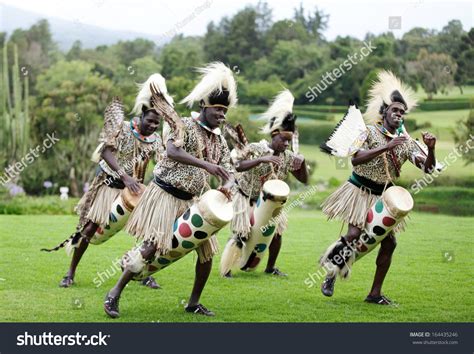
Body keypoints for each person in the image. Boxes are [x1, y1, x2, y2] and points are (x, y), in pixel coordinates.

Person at [104, 62, 238, 318]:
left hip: (193, 200)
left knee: (206, 253)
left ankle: (193, 302)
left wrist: (226, 187)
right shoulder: (183, 125)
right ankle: (114, 292)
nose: (222, 115)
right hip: (165, 194)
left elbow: (226, 170)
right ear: (204, 106)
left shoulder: (219, 139)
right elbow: (172, 151)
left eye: (225, 111)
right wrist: (207, 166)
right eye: (218, 109)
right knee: (152, 246)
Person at [42, 74, 173, 290]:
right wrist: (125, 175)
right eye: (149, 121)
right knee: (90, 227)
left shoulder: (156, 140)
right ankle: (70, 272)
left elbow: (161, 162)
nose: (152, 126)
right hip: (110, 184)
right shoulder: (122, 128)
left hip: (135, 190)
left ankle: (143, 272)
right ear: (141, 116)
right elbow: (106, 152)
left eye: (156, 123)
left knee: (148, 232)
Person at [320, 71, 437, 304]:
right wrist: (387, 146)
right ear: (384, 112)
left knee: (390, 243)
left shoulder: (406, 142)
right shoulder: (369, 131)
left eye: (402, 112)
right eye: (395, 110)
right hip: (359, 191)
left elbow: (428, 168)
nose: (399, 115)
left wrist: (431, 149)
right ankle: (331, 273)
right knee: (353, 235)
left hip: (383, 198)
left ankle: (375, 293)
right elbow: (355, 159)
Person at [222, 89, 308, 277]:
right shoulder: (256, 148)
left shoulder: (288, 156)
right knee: (241, 234)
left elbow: (304, 180)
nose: (286, 144)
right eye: (284, 140)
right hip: (246, 197)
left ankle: (270, 267)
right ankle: (227, 269)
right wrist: (262, 160)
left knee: (276, 234)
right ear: (274, 135)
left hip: (270, 203)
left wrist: (302, 164)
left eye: (289, 141)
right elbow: (239, 165)